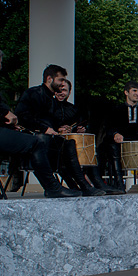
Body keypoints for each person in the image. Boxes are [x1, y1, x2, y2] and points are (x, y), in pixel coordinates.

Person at [0, 40, 79, 198]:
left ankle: (58, 185)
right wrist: (4, 115)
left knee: (36, 141)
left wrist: (7, 122)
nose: (1, 66)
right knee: (35, 143)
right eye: (0, 62)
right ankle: (53, 187)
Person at [15, 64, 106, 196]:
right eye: (60, 80)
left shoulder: (52, 101)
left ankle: (83, 185)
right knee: (46, 141)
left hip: (48, 141)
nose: (62, 83)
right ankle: (54, 187)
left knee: (68, 144)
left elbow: (53, 122)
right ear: (49, 79)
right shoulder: (34, 93)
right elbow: (22, 116)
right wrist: (45, 129)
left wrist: (63, 128)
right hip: (33, 141)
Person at [53, 79, 123, 195]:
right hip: (54, 146)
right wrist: (57, 129)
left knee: (88, 140)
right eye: (58, 90)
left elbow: (78, 124)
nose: (61, 93)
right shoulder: (49, 106)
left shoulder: (73, 109)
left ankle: (96, 179)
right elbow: (44, 123)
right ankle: (86, 183)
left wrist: (78, 129)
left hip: (72, 145)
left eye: (64, 90)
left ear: (69, 92)